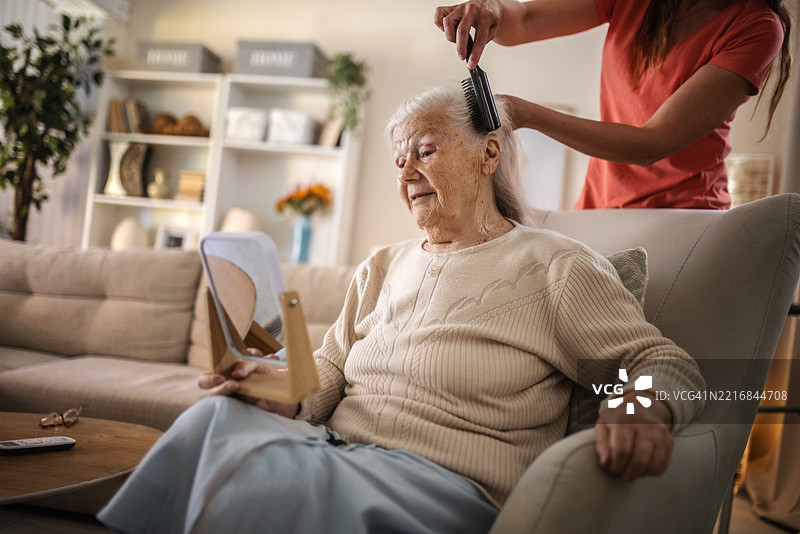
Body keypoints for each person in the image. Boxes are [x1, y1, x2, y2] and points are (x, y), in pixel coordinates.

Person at [98, 85, 705, 534]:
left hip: (439, 485)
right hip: (333, 453)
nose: (407, 173)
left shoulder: (556, 265)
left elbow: (659, 359)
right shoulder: (382, 264)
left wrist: (643, 405)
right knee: (213, 422)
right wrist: (269, 386)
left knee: (262, 476)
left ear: (489, 155)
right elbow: (323, 379)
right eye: (399, 161)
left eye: (424, 150)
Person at [435, 0, 791, 209]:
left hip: (684, 213)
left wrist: (524, 113)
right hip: (599, 203)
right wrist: (489, 9)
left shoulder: (756, 26)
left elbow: (653, 143)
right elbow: (525, 21)